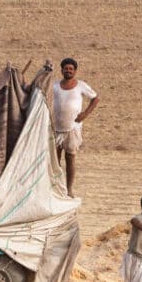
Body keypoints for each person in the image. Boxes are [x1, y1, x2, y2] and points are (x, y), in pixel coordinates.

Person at [50, 57, 99, 197]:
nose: (68, 71)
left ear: (75, 71)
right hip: (56, 127)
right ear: (62, 70)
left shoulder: (81, 85)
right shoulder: (55, 86)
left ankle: (69, 189)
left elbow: (95, 98)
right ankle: (56, 188)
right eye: (66, 68)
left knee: (70, 157)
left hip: (73, 128)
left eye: (71, 69)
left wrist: (85, 114)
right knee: (55, 160)